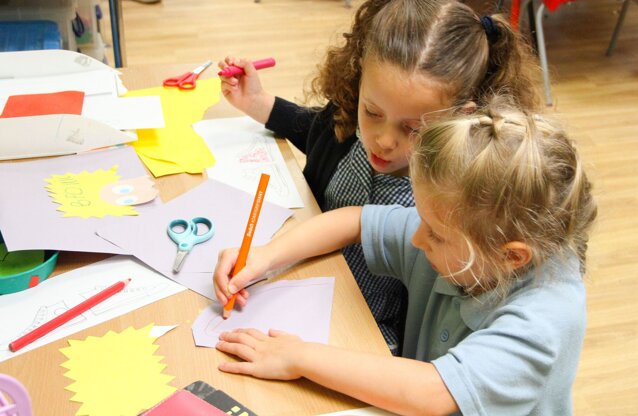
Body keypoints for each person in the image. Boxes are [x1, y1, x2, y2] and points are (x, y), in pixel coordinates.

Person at [217, 0, 542, 355]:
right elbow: (316, 129)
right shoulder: (350, 125)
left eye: (413, 128)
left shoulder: (453, 204)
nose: (384, 140)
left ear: (461, 119)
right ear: (359, 82)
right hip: (301, 283)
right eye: (372, 112)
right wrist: (258, 103)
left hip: (370, 339)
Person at [212, 102, 597, 415]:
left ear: (511, 256)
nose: (415, 237)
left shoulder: (545, 321)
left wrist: (298, 356)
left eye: (434, 234)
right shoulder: (471, 239)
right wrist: (264, 257)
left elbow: (433, 392)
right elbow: (354, 221)